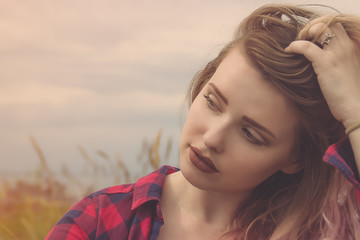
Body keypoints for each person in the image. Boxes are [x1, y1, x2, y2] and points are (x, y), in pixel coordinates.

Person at [46, 4, 360, 240]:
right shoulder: (101, 219)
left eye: (251, 134)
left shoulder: (321, 232)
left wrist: (354, 111)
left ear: (294, 159)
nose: (212, 138)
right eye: (212, 101)